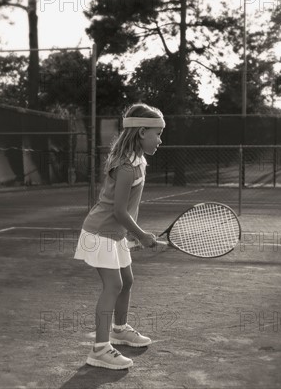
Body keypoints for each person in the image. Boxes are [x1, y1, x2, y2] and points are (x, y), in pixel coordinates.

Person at [74, 103, 165, 370]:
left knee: (127, 281)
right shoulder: (127, 167)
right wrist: (143, 236)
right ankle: (100, 349)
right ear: (141, 133)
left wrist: (132, 234)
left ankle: (119, 329)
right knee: (113, 285)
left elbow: (125, 213)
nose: (160, 140)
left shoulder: (139, 161)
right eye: (157, 134)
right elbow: (119, 210)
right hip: (100, 231)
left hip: (115, 233)